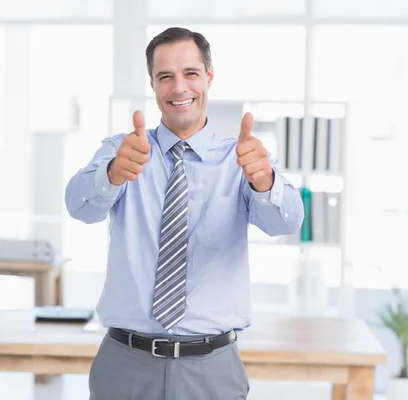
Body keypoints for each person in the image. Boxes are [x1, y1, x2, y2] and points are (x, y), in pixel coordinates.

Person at [64, 27, 304, 400]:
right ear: (153, 84)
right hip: (125, 365)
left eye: (190, 73)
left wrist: (265, 182)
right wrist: (111, 174)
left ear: (209, 76)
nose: (179, 88)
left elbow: (286, 223)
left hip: (212, 369)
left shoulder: (241, 158)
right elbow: (78, 207)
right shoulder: (125, 151)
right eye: (165, 77)